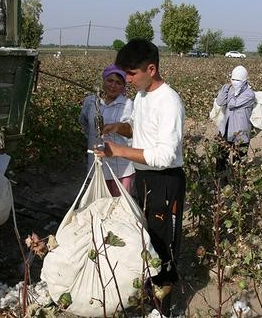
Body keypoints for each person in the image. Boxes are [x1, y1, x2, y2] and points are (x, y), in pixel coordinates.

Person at [95, 38, 185, 317]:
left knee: (163, 244)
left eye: (132, 74)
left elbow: (165, 155)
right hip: (145, 178)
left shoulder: (169, 101)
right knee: (146, 239)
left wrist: (118, 151)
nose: (127, 80)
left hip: (165, 180)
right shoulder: (144, 97)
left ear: (151, 69)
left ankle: (163, 308)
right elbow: (139, 128)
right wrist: (119, 127)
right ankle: (149, 297)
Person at [79, 64, 135, 197]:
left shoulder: (128, 104)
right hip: (96, 163)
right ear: (104, 81)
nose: (113, 86)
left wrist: (116, 127)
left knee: (120, 207)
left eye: (118, 83)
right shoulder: (91, 101)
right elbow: (84, 122)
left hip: (122, 166)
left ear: (123, 86)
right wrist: (94, 137)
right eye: (110, 81)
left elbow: (132, 130)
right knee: (98, 205)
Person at [215, 65, 255, 183]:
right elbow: (220, 102)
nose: (234, 82)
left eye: (238, 80)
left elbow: (232, 103)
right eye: (233, 79)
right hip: (225, 129)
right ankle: (221, 183)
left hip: (240, 133)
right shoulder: (230, 88)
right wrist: (225, 88)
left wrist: (230, 93)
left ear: (244, 81)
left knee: (239, 161)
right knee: (221, 158)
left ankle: (238, 185)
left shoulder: (249, 94)